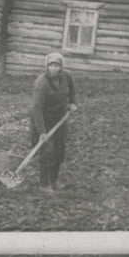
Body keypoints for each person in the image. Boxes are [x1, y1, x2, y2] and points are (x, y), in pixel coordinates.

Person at [29, 51, 77, 192]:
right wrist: (42, 132)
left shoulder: (66, 76)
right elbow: (36, 109)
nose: (54, 68)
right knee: (46, 153)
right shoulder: (41, 83)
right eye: (51, 65)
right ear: (47, 66)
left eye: (57, 65)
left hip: (60, 119)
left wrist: (72, 102)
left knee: (59, 152)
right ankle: (44, 185)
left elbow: (72, 89)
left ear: (61, 66)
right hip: (42, 120)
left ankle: (54, 182)